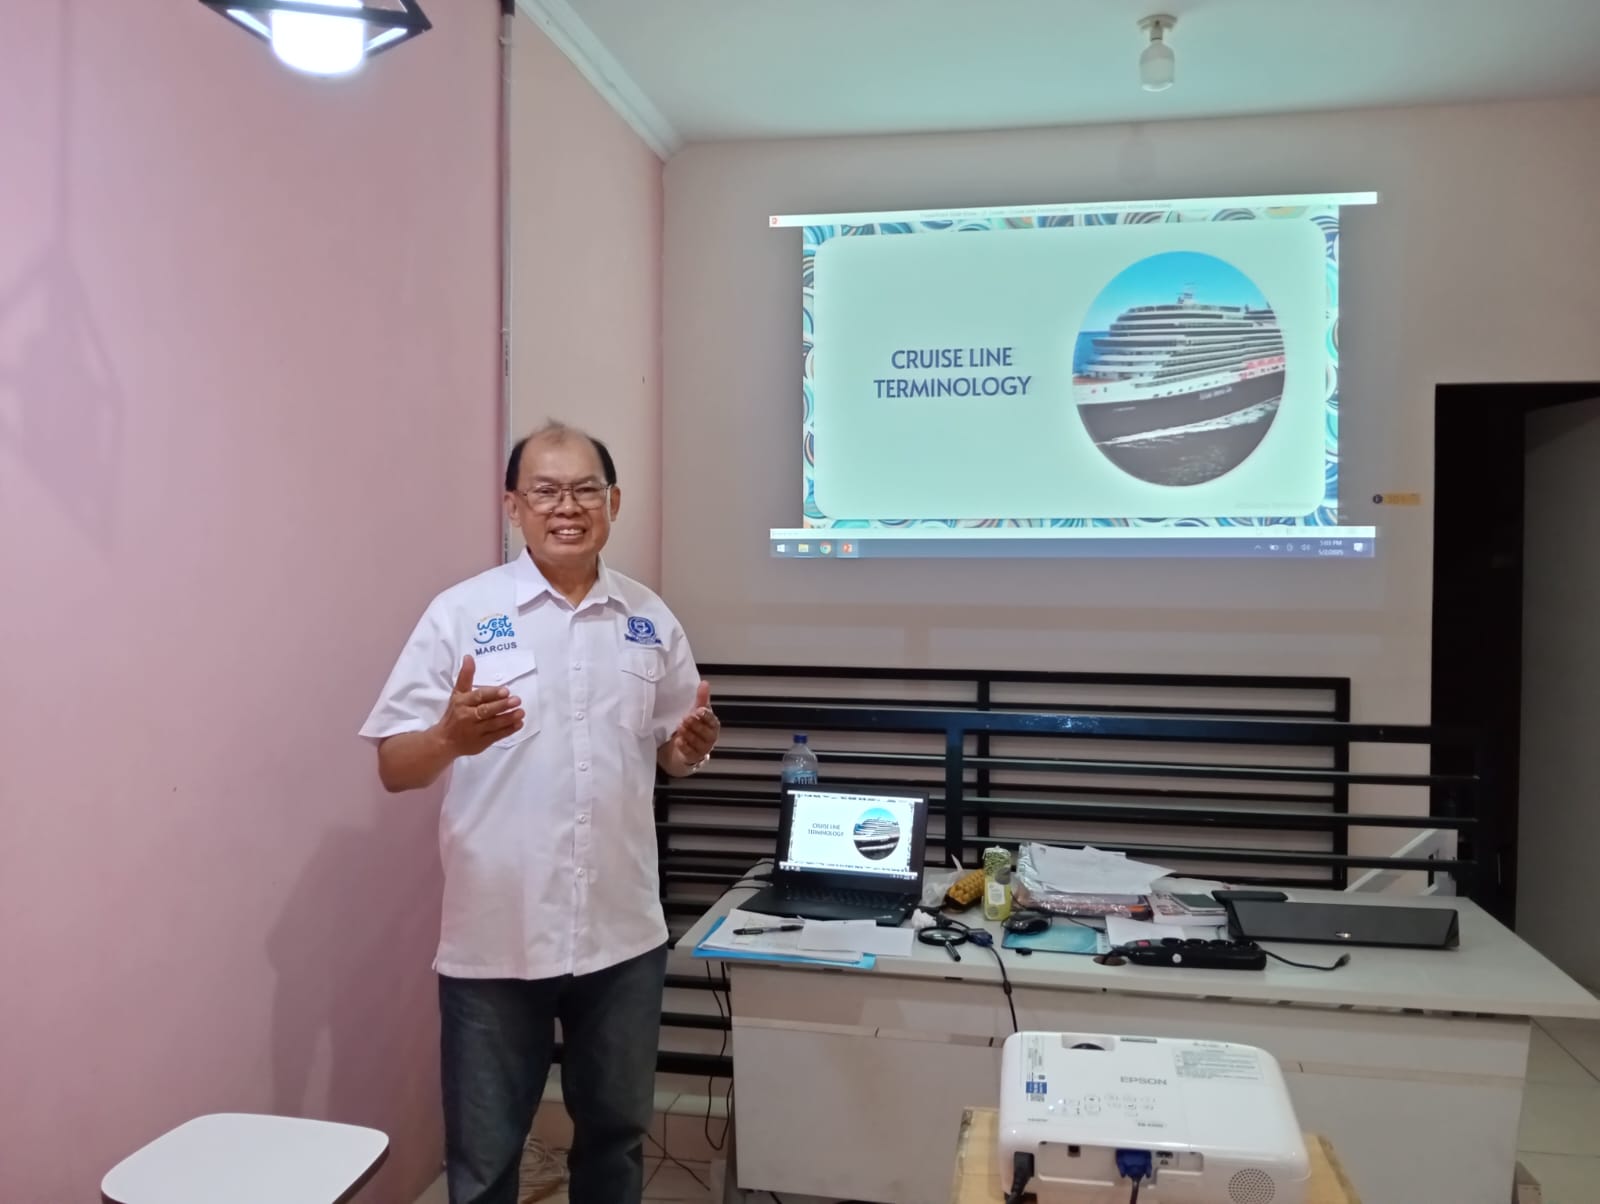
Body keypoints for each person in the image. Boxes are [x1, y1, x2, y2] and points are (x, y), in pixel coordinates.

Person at [359, 421, 719, 1204]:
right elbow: (393, 766)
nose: (568, 507)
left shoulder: (649, 618)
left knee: (616, 1146)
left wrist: (689, 747)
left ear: (613, 502)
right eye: (547, 491)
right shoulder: (460, 614)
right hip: (498, 935)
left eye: (585, 489)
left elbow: (671, 750)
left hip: (622, 935)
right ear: (512, 506)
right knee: (485, 1161)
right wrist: (448, 738)